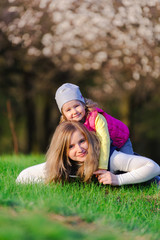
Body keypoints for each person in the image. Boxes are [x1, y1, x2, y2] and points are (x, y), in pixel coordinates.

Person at [16, 121, 160, 186]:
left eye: (82, 141)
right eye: (71, 146)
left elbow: (153, 167)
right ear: (62, 151)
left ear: (88, 138)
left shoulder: (109, 158)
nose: (79, 149)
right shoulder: (64, 164)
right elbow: (23, 177)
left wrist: (118, 180)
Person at [55, 83, 134, 171]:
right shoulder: (68, 126)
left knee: (128, 165)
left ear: (83, 104)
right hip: (102, 144)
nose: (74, 112)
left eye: (76, 106)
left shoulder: (96, 117)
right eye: (68, 110)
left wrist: (102, 167)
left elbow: (104, 141)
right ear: (64, 114)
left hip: (120, 140)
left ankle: (143, 178)